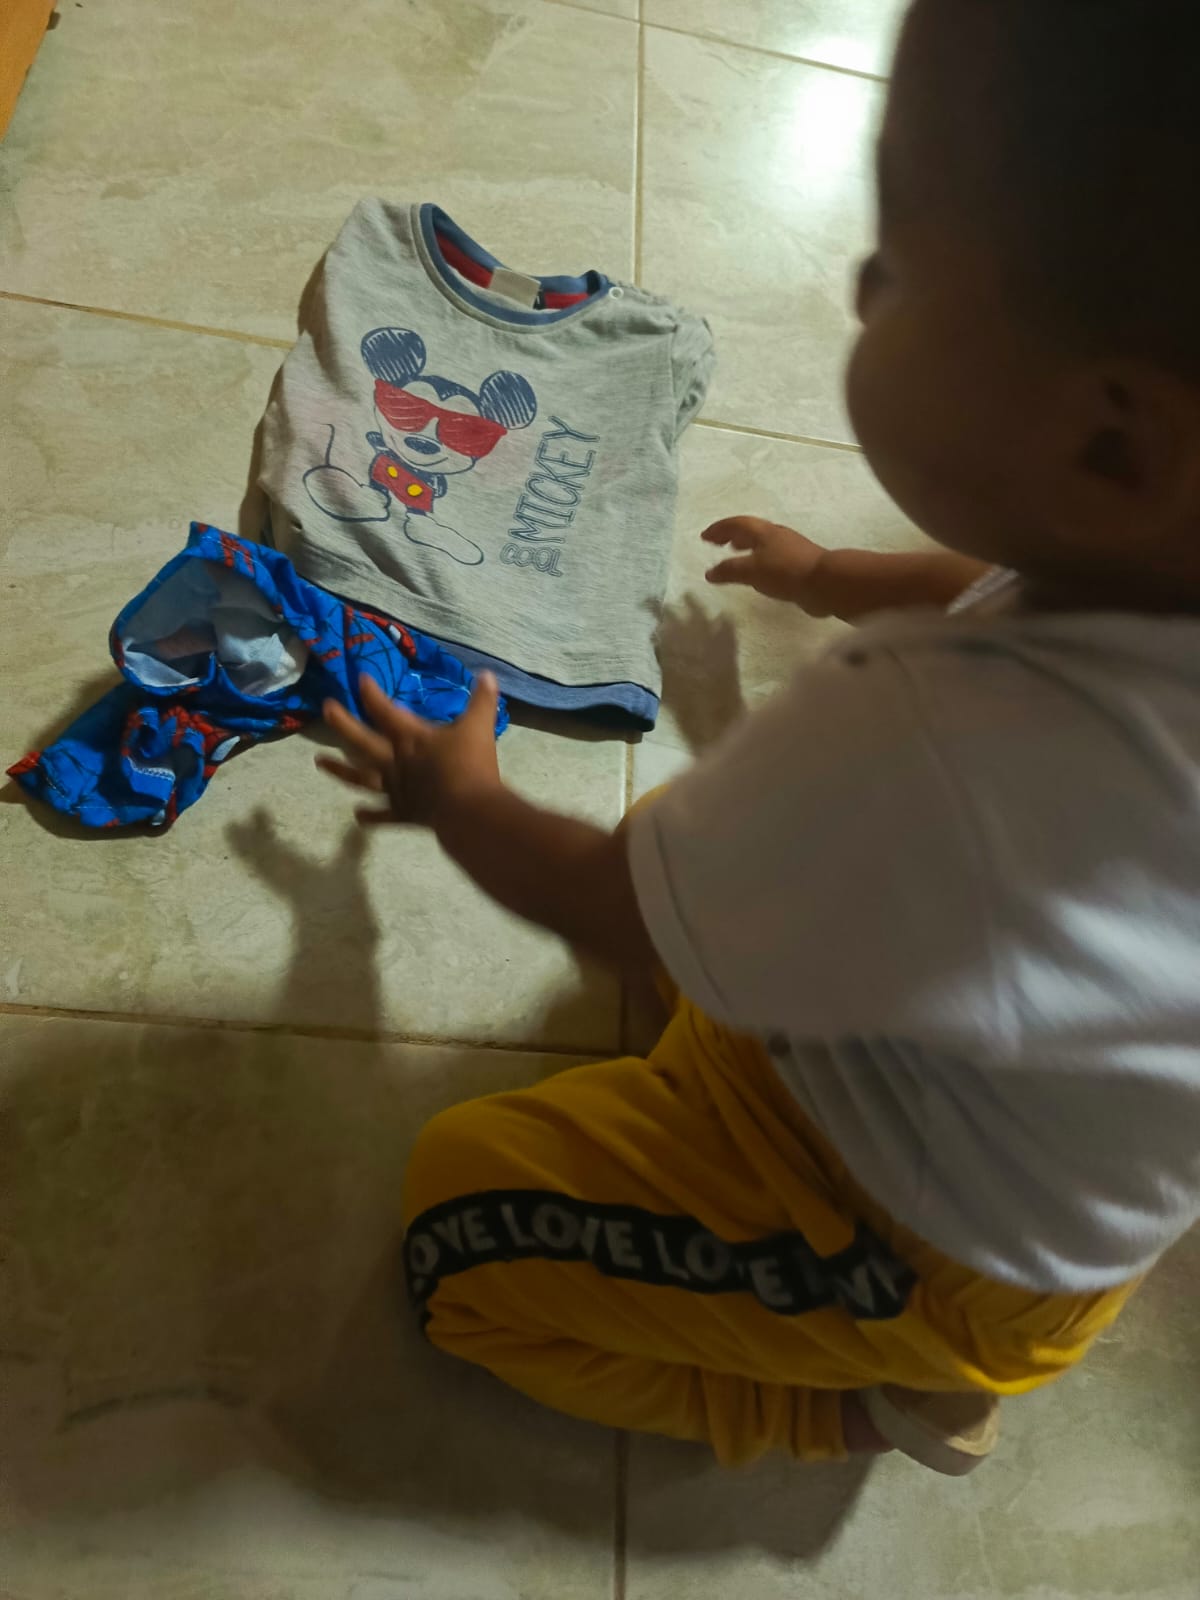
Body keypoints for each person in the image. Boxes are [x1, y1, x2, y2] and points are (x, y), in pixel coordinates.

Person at [318, 0, 1200, 1474]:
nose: (859, 281)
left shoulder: (929, 737)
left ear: (1110, 444)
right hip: (1019, 1155)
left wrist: (460, 794)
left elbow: (610, 907)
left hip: (914, 1240)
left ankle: (861, 1407)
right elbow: (993, 584)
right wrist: (833, 574)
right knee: (707, 889)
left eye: (898, 262)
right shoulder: (1151, 562)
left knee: (459, 1232)